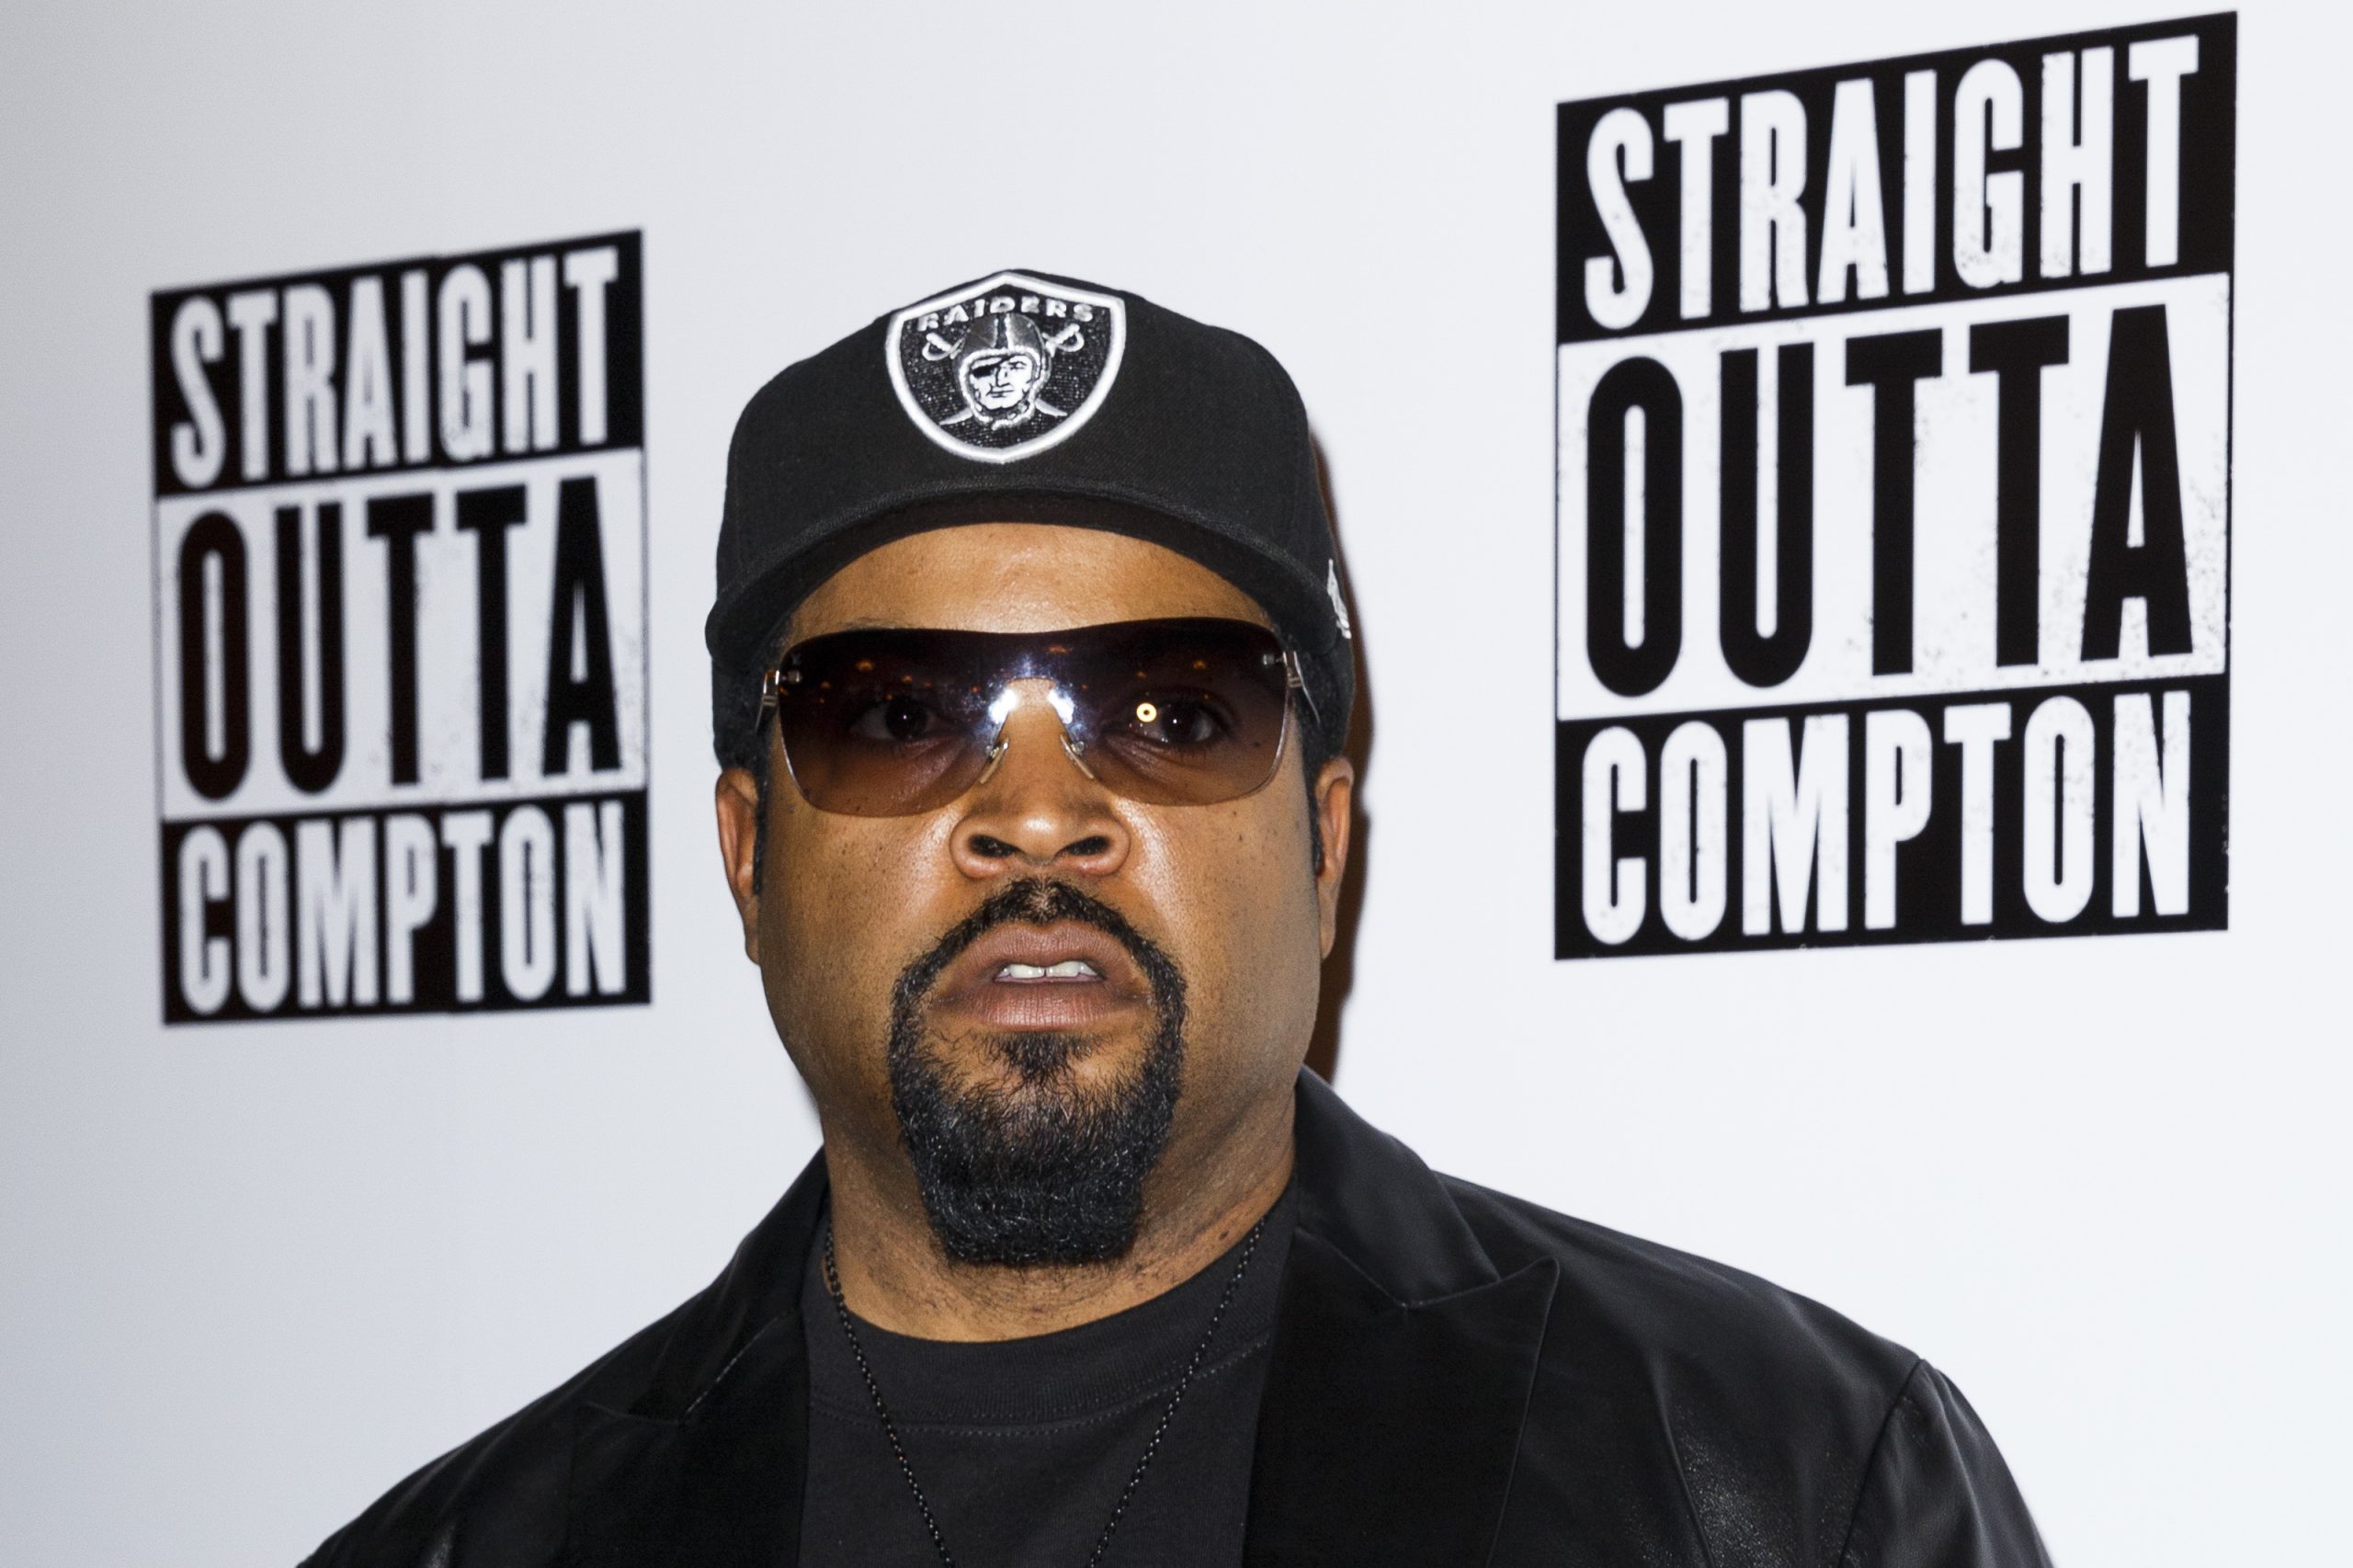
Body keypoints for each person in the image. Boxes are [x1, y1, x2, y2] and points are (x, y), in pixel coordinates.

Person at [305, 270, 2050, 1567]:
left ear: (1324, 847)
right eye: (897, 714)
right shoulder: (460, 1548)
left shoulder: (1791, 1485)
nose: (1035, 812)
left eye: (1173, 710)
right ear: (747, 857)